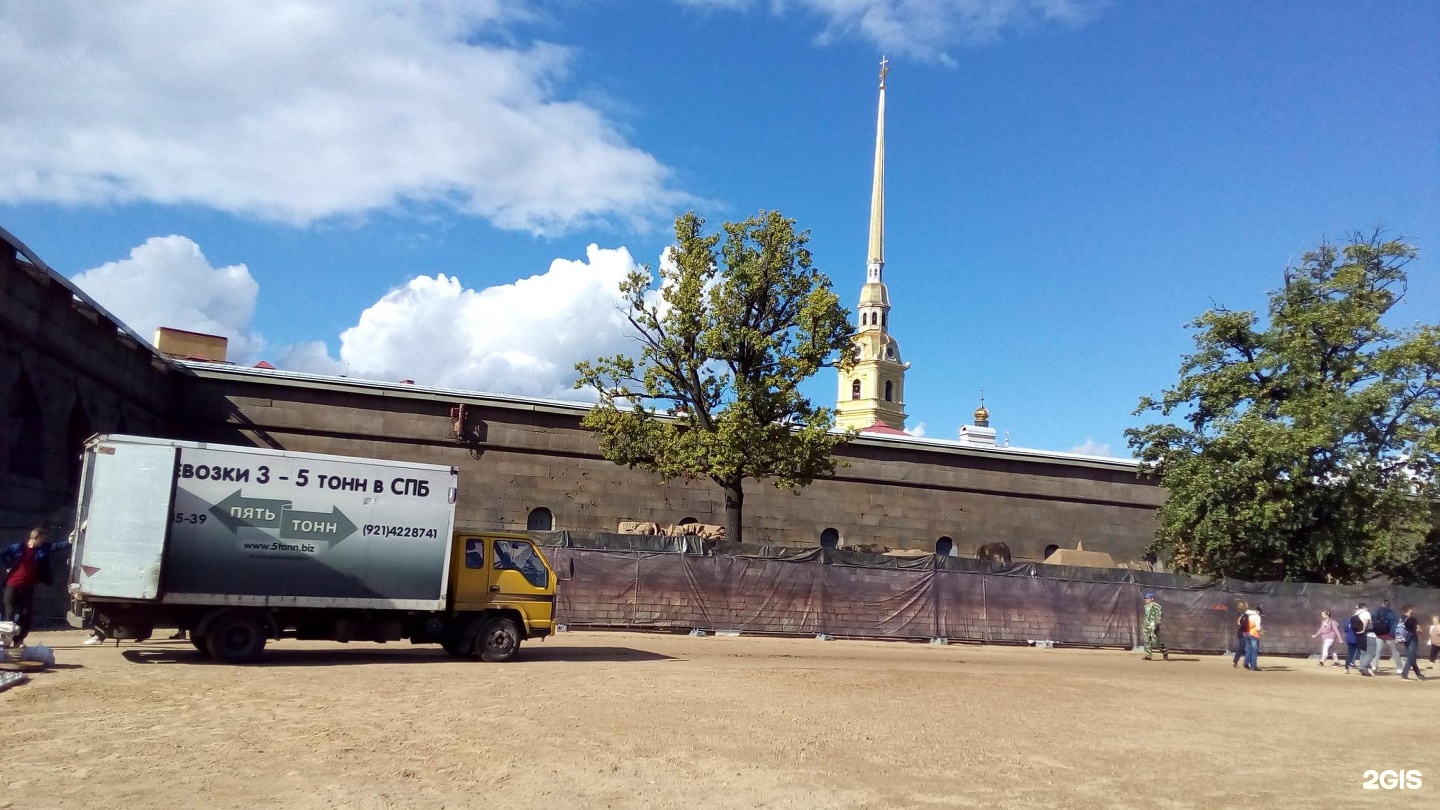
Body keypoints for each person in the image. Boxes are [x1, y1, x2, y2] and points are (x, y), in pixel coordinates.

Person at [2, 527, 67, 646]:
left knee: (26, 614)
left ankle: (19, 640)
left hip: (27, 587)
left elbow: (57, 546)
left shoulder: (43, 549)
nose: (44, 540)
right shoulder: (17, 548)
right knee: (9, 613)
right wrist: (7, 566)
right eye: (43, 538)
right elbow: (1, 554)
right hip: (12, 585)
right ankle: (6, 640)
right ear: (36, 537)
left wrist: (71, 542)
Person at [1372, 599, 1403, 674]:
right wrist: (1393, 635)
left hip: (1379, 634)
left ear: (1382, 604)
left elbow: (1373, 620)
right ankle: (1399, 668)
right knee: (1394, 651)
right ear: (1389, 605)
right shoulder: (1391, 613)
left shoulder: (1377, 612)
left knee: (1378, 650)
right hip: (1389, 635)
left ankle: (1374, 666)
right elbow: (1394, 625)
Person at [1398, 604, 1427, 681]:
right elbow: (1419, 629)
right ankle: (1404, 674)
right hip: (1412, 639)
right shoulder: (1412, 619)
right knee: (1411, 657)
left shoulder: (1401, 618)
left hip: (1405, 639)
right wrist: (1421, 633)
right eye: (1412, 609)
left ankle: (1419, 675)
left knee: (1412, 656)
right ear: (1410, 610)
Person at [1141, 592, 1168, 661]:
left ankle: (1164, 651)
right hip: (1147, 626)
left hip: (1153, 626)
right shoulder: (1146, 606)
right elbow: (1146, 616)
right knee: (1147, 640)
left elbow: (1159, 616)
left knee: (1155, 641)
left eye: (1147, 598)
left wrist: (1156, 624)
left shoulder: (1156, 606)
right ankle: (1148, 655)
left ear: (1152, 599)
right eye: (1145, 598)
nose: (1146, 599)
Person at [1353, 602, 1377, 676]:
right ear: (1364, 607)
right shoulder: (1366, 613)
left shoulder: (1355, 613)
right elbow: (1366, 621)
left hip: (1357, 634)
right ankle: (1364, 667)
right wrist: (1363, 630)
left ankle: (1364, 669)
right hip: (1367, 634)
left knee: (1363, 652)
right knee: (1372, 653)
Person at [1243, 604, 1262, 671]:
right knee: (1254, 651)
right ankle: (1253, 666)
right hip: (1253, 634)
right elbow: (1258, 627)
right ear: (1259, 612)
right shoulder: (1257, 616)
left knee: (1249, 649)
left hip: (1246, 633)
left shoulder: (1248, 614)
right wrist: (1261, 630)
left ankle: (1246, 663)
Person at [1232, 600, 1249, 668]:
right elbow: (1239, 622)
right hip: (1242, 632)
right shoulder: (1241, 613)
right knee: (1242, 647)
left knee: (1244, 647)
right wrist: (1240, 625)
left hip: (1245, 632)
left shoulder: (1245, 613)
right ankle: (1236, 661)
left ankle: (1243, 661)